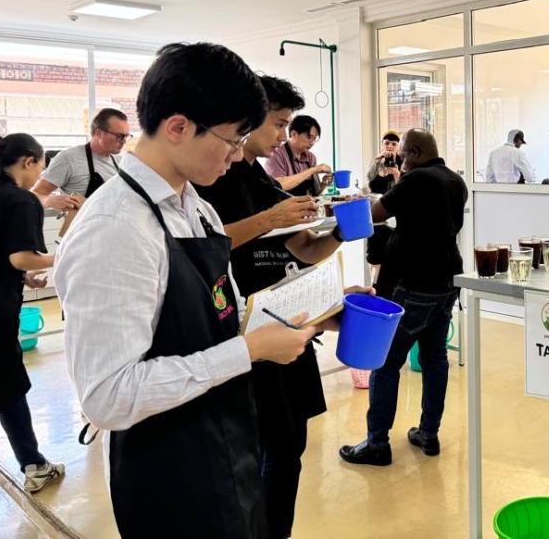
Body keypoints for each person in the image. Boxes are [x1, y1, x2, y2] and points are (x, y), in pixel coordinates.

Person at [55, 43, 324, 539]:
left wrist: (306, 313)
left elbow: (217, 311)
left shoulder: (195, 206)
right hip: (169, 471)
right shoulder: (115, 228)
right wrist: (247, 351)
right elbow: (108, 398)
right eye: (232, 137)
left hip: (227, 439)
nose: (238, 151)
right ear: (178, 126)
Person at [194, 75, 346, 539]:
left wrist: (340, 231)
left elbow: (301, 247)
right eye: (279, 124)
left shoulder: (258, 175)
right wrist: (269, 218)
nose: (283, 135)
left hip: (285, 321)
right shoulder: (211, 179)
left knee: (290, 445)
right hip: (242, 332)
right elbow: (200, 246)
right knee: (258, 452)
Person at [339, 129, 468, 466]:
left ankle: (377, 443)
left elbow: (376, 215)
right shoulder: (456, 182)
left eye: (404, 156)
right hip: (447, 281)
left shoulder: (416, 180)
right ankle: (429, 433)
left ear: (413, 152)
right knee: (435, 358)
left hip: (415, 284)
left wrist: (349, 205)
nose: (402, 161)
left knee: (386, 363)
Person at [0, 134, 64, 495]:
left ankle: (33, 464)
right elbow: (19, 256)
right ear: (28, 161)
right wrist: (65, 256)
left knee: (8, 384)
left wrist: (23, 274)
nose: (40, 172)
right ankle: (34, 463)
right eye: (41, 164)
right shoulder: (19, 200)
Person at [31, 108, 130, 225]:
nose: (124, 141)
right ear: (98, 133)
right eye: (119, 136)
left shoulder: (121, 162)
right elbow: (35, 194)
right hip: (81, 238)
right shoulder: (68, 159)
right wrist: (49, 200)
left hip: (112, 233)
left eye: (126, 136)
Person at [365, 130, 402, 290]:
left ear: (398, 147)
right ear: (382, 144)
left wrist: (395, 173)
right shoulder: (376, 162)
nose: (390, 146)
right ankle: (375, 285)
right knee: (374, 251)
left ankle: (392, 286)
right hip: (377, 215)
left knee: (393, 252)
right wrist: (378, 161)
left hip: (394, 217)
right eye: (387, 143)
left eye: (394, 144)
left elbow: (404, 187)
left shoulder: (402, 163)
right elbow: (369, 179)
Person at [264, 114, 332, 196]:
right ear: (294, 134)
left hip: (307, 207)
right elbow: (280, 184)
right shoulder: (276, 155)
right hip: (285, 208)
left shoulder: (311, 157)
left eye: (314, 138)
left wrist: (324, 183)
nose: (312, 143)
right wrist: (313, 170)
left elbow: (315, 194)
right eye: (309, 137)